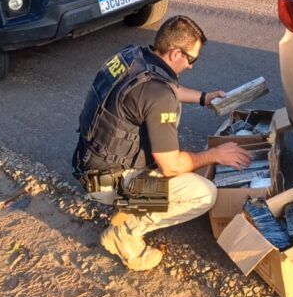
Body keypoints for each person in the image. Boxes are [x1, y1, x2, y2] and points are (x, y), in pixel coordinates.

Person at [73, 15, 250, 271]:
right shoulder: (158, 95)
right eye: (192, 59)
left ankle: (131, 201)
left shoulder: (133, 56)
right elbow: (170, 165)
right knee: (203, 193)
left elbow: (162, 89)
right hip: (105, 182)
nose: (190, 66)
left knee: (178, 156)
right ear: (175, 53)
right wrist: (215, 154)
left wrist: (204, 98)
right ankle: (124, 234)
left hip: (89, 163)